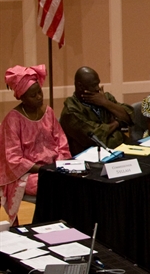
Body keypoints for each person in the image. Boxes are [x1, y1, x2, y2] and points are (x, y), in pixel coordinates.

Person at [1, 65, 71, 225]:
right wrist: (44, 170)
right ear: (22, 97)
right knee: (52, 184)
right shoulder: (13, 119)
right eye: (33, 95)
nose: (39, 97)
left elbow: (62, 143)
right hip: (28, 174)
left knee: (73, 180)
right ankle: (46, 224)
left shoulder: (49, 112)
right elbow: (14, 160)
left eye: (39, 91)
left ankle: (67, 224)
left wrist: (59, 165)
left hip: (54, 168)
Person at [60, 66, 134, 156]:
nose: (97, 88)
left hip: (122, 150)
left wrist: (106, 103)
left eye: (98, 84)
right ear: (80, 86)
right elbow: (94, 135)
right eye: (94, 85)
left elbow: (129, 116)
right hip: (93, 157)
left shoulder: (103, 98)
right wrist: (117, 123)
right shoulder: (71, 110)